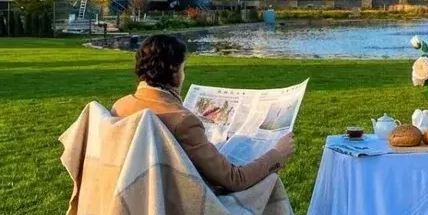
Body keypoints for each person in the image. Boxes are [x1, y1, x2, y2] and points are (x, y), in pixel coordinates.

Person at [111, 34, 295, 194]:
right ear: (175, 73)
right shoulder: (182, 122)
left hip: (137, 199)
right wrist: (277, 154)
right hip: (178, 210)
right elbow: (235, 180)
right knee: (269, 185)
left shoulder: (120, 107)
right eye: (183, 69)